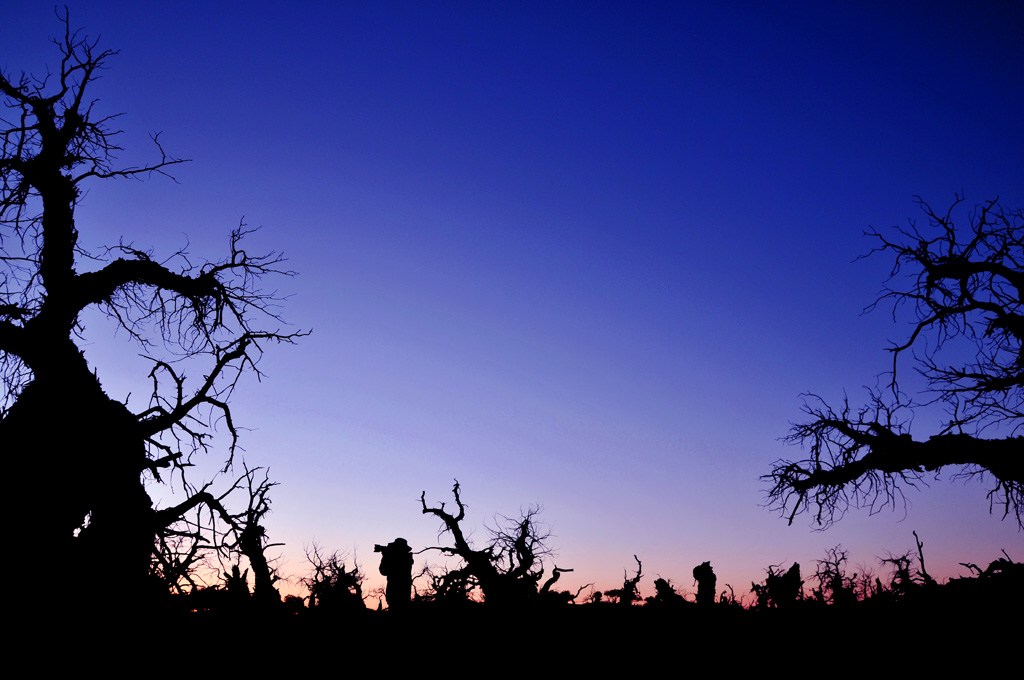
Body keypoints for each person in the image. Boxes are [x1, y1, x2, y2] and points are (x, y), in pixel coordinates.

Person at [376, 537, 414, 611]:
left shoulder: (404, 559)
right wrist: (386, 555)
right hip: (400, 594)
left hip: (397, 594)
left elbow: (384, 571)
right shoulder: (406, 558)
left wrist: (386, 555)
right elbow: (384, 571)